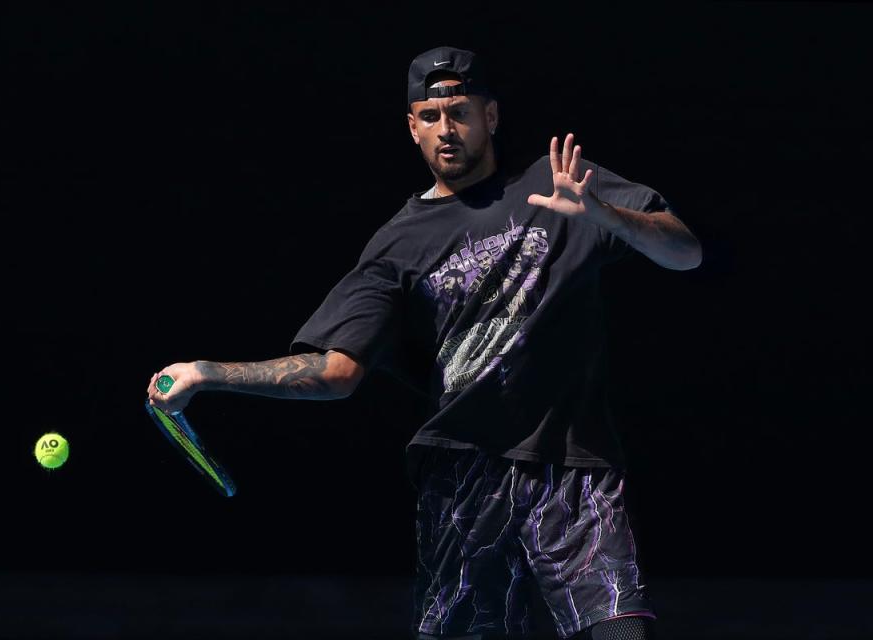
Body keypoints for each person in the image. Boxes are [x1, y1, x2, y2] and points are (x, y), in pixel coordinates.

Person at [148, 46, 702, 640]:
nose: (447, 129)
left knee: (620, 633)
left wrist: (608, 217)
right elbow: (336, 372)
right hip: (463, 476)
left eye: (460, 112)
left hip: (574, 465)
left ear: (490, 116)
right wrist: (208, 372)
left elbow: (686, 252)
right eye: (430, 116)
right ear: (412, 127)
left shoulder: (555, 182)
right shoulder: (397, 244)